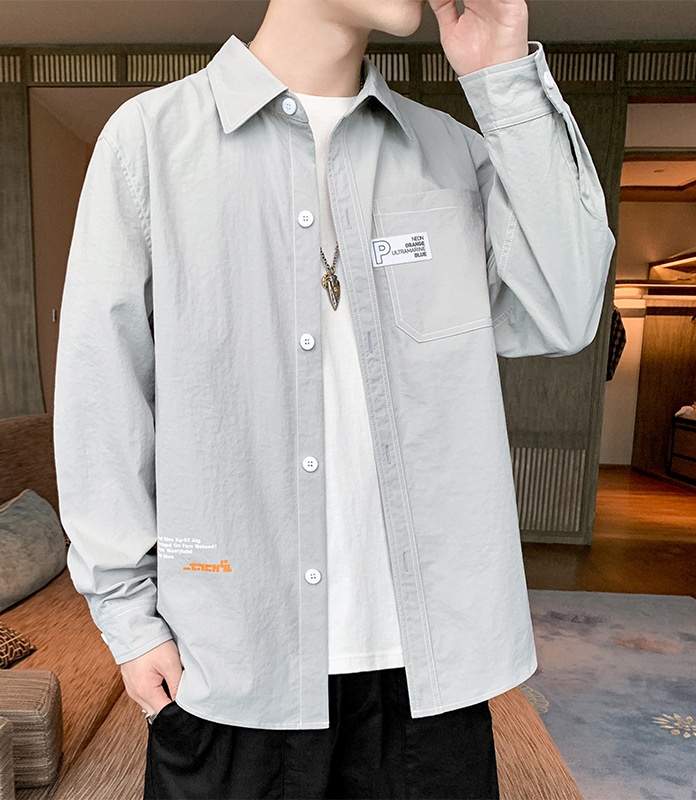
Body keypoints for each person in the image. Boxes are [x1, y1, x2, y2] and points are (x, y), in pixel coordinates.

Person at [53, 0, 616, 797]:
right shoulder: (150, 143)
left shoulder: (452, 155)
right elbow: (100, 402)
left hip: (428, 678)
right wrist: (128, 617)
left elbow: (565, 309)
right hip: (232, 664)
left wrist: (503, 76)